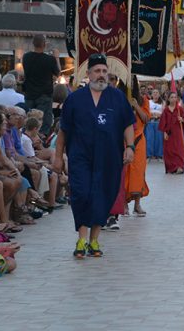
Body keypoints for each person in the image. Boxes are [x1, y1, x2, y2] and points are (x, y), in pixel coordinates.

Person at [52, 54, 135, 259]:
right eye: (97, 71)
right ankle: (81, 239)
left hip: (109, 157)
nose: (101, 75)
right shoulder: (75, 99)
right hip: (80, 156)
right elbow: (64, 131)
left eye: (104, 71)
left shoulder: (117, 97)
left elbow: (127, 124)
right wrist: (58, 156)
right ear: (88, 74)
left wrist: (130, 147)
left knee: (103, 194)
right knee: (81, 193)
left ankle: (94, 239)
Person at [22, 34, 61, 135]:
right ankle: (41, 140)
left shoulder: (26, 57)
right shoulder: (50, 60)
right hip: (44, 94)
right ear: (44, 44)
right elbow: (57, 72)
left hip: (29, 94)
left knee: (29, 120)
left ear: (33, 44)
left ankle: (28, 137)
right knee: (43, 122)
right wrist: (56, 57)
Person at [125, 77, 149, 217]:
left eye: (133, 82)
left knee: (139, 171)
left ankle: (137, 205)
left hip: (139, 140)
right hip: (123, 140)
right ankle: (123, 204)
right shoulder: (119, 97)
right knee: (125, 171)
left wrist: (136, 105)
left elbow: (146, 119)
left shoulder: (143, 99)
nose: (131, 84)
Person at [159, 91, 184, 175]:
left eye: (175, 97)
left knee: (179, 149)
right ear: (168, 99)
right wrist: (164, 132)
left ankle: (179, 167)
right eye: (172, 97)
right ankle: (171, 168)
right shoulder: (166, 110)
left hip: (178, 132)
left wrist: (182, 119)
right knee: (169, 150)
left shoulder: (179, 109)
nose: (174, 99)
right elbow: (163, 122)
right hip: (169, 133)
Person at [146, 89, 164, 162]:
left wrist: (158, 115)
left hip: (158, 122)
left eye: (157, 92)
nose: (155, 94)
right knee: (149, 138)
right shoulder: (148, 102)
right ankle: (149, 155)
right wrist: (152, 114)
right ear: (151, 95)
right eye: (154, 92)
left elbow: (164, 112)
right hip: (150, 122)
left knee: (159, 139)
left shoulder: (162, 102)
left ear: (159, 94)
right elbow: (146, 111)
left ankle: (159, 155)